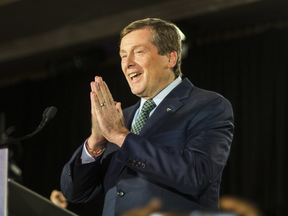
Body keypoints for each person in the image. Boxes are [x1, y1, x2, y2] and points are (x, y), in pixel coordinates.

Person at [60, 18, 234, 216]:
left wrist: (121, 137)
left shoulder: (207, 105)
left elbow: (198, 175)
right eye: (123, 55)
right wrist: (95, 143)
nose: (127, 63)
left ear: (170, 59)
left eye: (138, 52)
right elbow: (74, 192)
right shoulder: (119, 119)